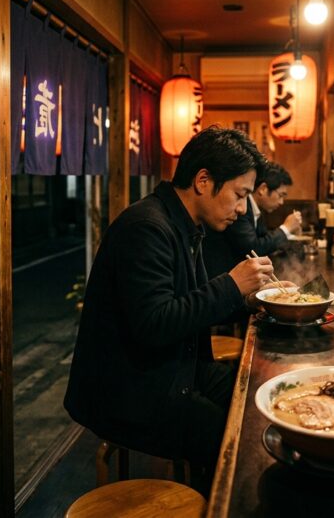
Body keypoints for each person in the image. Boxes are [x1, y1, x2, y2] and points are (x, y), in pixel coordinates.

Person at [63, 127, 285, 491]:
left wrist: (246, 299)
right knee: (238, 441)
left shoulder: (184, 223)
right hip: (130, 388)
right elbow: (155, 324)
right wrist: (231, 285)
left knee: (260, 399)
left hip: (175, 367)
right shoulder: (147, 227)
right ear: (203, 181)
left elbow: (192, 306)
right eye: (239, 194)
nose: (243, 208)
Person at [204, 161, 301, 278]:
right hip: (221, 277)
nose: (281, 202)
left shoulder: (257, 208)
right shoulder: (239, 208)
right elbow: (252, 248)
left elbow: (264, 238)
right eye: (281, 195)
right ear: (263, 189)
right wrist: (286, 228)